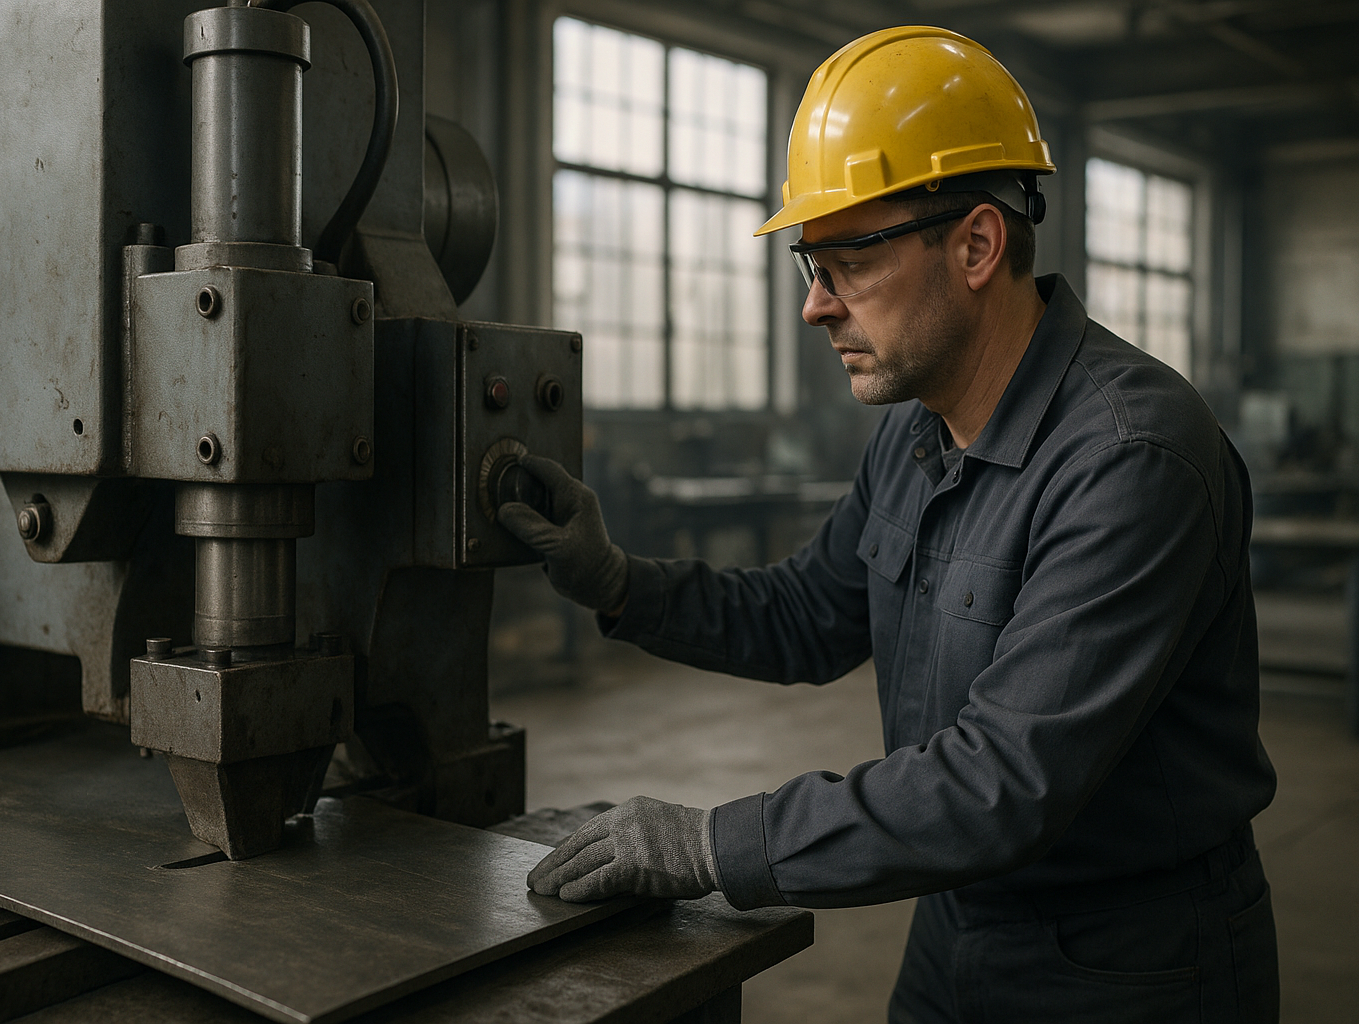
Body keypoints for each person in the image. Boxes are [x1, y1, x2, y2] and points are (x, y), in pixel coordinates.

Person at [495, 24, 1280, 1024]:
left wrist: (712, 845)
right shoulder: (917, 434)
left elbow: (1002, 780)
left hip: (1128, 968)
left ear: (977, 244)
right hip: (956, 934)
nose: (817, 306)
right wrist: (617, 581)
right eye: (807, 264)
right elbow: (810, 613)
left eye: (849, 261)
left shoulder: (1130, 459)